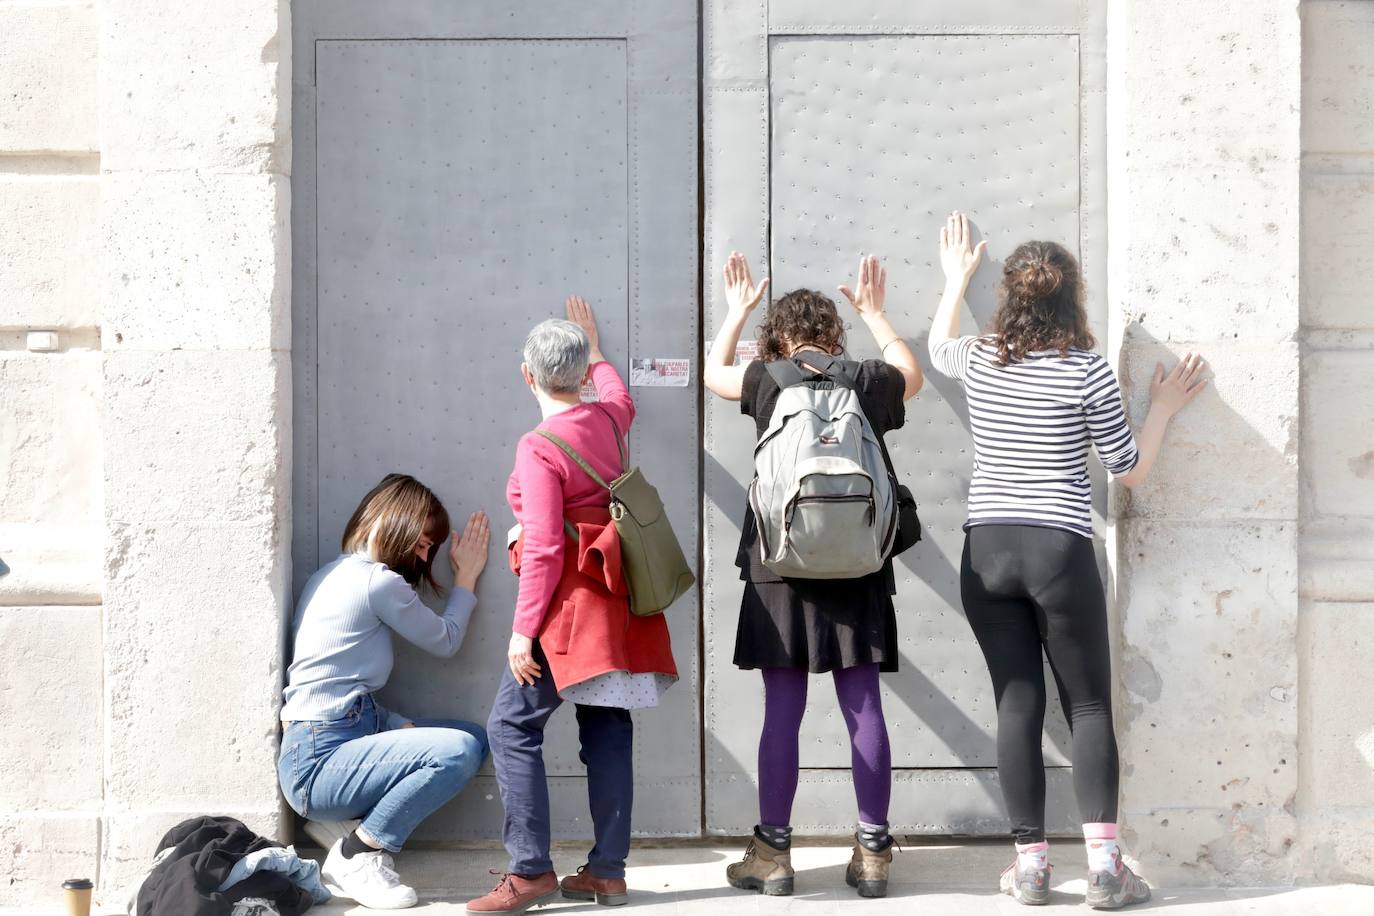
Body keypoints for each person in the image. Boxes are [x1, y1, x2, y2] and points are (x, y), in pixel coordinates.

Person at [928, 212, 1208, 909]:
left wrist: (955, 276)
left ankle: (1029, 869)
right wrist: (1165, 406)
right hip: (1057, 548)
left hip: (987, 548)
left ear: (1010, 299)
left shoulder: (981, 357)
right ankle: (1106, 870)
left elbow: (937, 345)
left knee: (1017, 702)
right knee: (1086, 705)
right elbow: (1129, 469)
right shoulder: (1085, 371)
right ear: (1072, 298)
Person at [703, 252, 923, 899]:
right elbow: (910, 374)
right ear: (834, 337)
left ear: (777, 339)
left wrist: (737, 310)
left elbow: (715, 375)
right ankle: (873, 852)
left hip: (780, 568)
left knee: (782, 712)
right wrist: (877, 313)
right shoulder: (865, 378)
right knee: (863, 707)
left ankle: (773, 856)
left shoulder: (768, 378)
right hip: (858, 565)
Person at [467, 297, 678, 914]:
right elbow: (623, 397)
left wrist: (520, 633)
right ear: (582, 374)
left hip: (568, 616)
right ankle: (607, 873)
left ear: (526, 376)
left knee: (510, 725)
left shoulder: (538, 447)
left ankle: (530, 872)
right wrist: (598, 348)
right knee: (608, 729)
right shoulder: (610, 422)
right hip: (620, 606)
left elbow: (542, 553)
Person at [278, 473, 493, 910]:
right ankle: (360, 854)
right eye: (422, 543)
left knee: (475, 735)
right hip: (318, 763)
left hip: (335, 739)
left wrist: (395, 723)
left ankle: (346, 829)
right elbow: (446, 639)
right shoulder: (378, 581)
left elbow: (335, 679)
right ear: (398, 523)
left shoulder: (330, 573)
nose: (425, 555)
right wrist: (466, 577)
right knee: (457, 751)